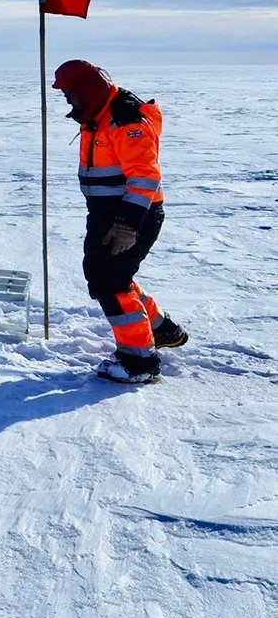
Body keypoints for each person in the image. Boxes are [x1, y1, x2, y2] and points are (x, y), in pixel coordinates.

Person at [52, 59, 188, 383]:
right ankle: (160, 328)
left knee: (109, 281)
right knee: (109, 274)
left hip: (132, 213)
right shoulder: (97, 114)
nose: (68, 100)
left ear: (88, 90)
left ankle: (138, 361)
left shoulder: (125, 118)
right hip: (107, 213)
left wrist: (127, 224)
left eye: (70, 94)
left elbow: (145, 175)